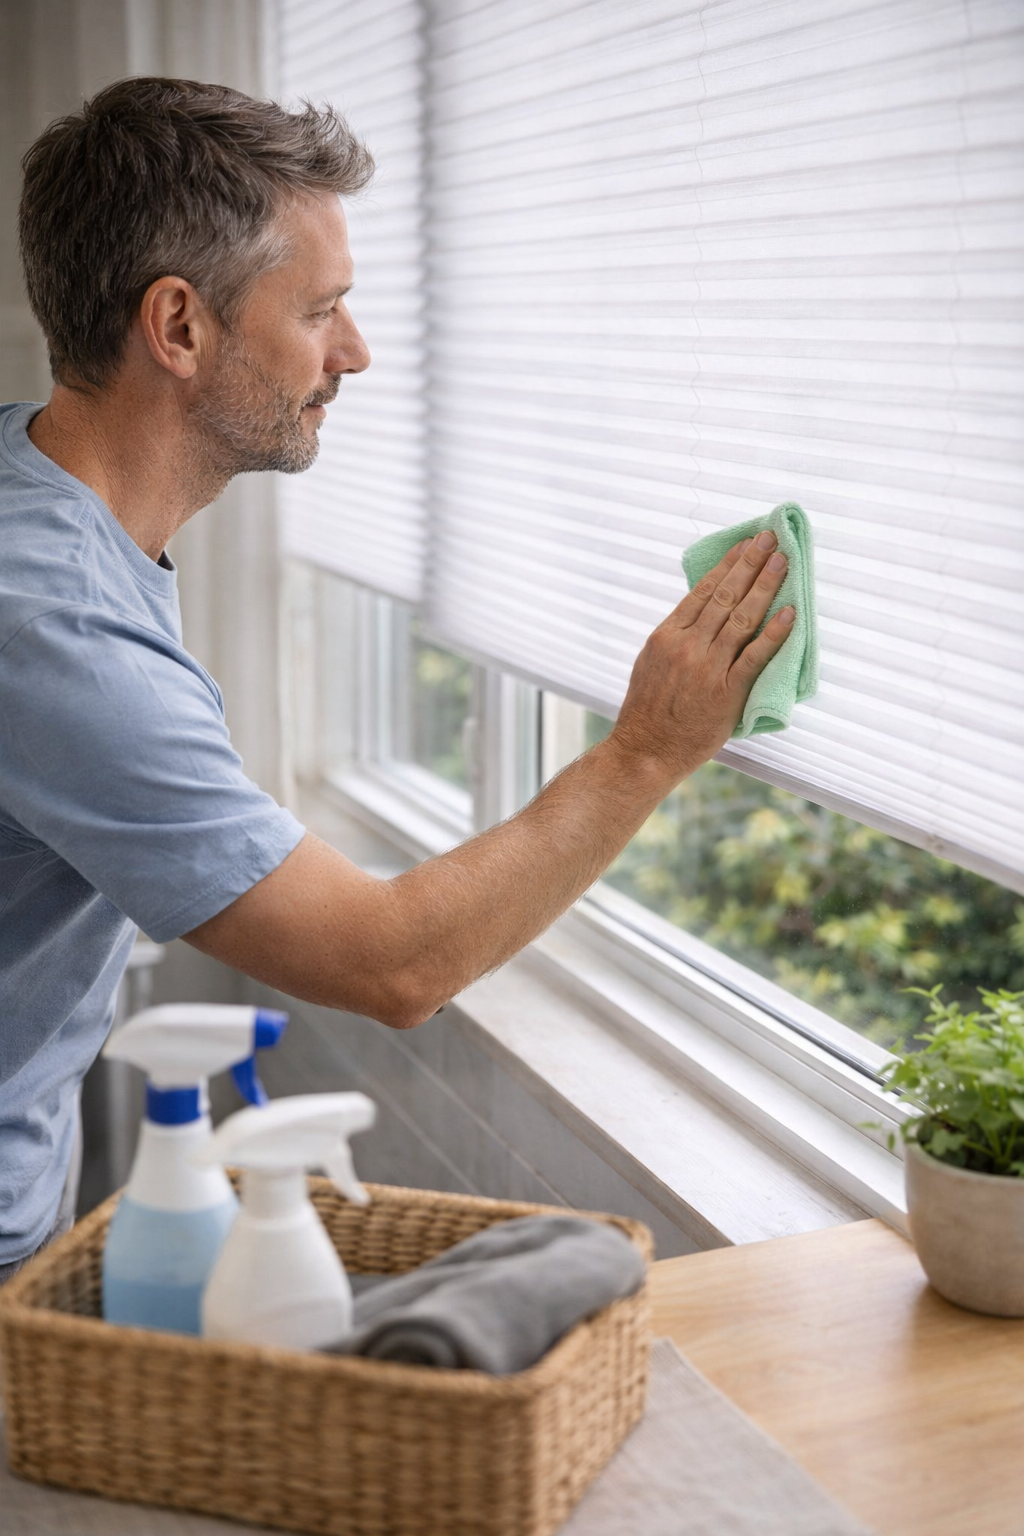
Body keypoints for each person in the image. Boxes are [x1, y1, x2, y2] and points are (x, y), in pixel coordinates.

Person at [0, 77, 793, 1275]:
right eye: (321, 310)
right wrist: (646, 751)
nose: (355, 353)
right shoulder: (53, 623)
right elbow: (393, 962)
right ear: (178, 328)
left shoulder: (33, 493)